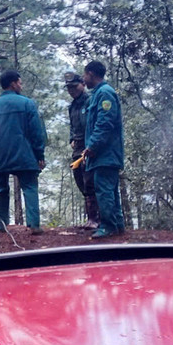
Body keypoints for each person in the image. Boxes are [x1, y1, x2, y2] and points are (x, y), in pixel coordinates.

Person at [0, 70, 47, 235]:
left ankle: (1, 224)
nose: (21, 85)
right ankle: (34, 224)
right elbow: (36, 132)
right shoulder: (27, 104)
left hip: (0, 156)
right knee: (29, 187)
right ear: (13, 83)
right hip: (24, 154)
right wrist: (39, 155)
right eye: (20, 82)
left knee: (0, 188)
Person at [82, 61, 125, 239]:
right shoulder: (97, 94)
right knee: (109, 189)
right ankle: (117, 224)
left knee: (104, 189)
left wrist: (93, 146)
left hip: (106, 154)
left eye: (85, 75)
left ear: (91, 73)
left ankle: (108, 226)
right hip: (103, 154)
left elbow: (105, 123)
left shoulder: (105, 93)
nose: (83, 79)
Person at [65, 71, 100, 229]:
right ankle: (90, 218)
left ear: (83, 85)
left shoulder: (91, 101)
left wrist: (91, 145)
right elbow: (73, 126)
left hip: (89, 147)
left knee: (90, 182)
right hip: (77, 148)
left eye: (74, 86)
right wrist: (72, 138)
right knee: (80, 180)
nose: (71, 90)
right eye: (68, 88)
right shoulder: (72, 106)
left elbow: (95, 124)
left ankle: (95, 218)